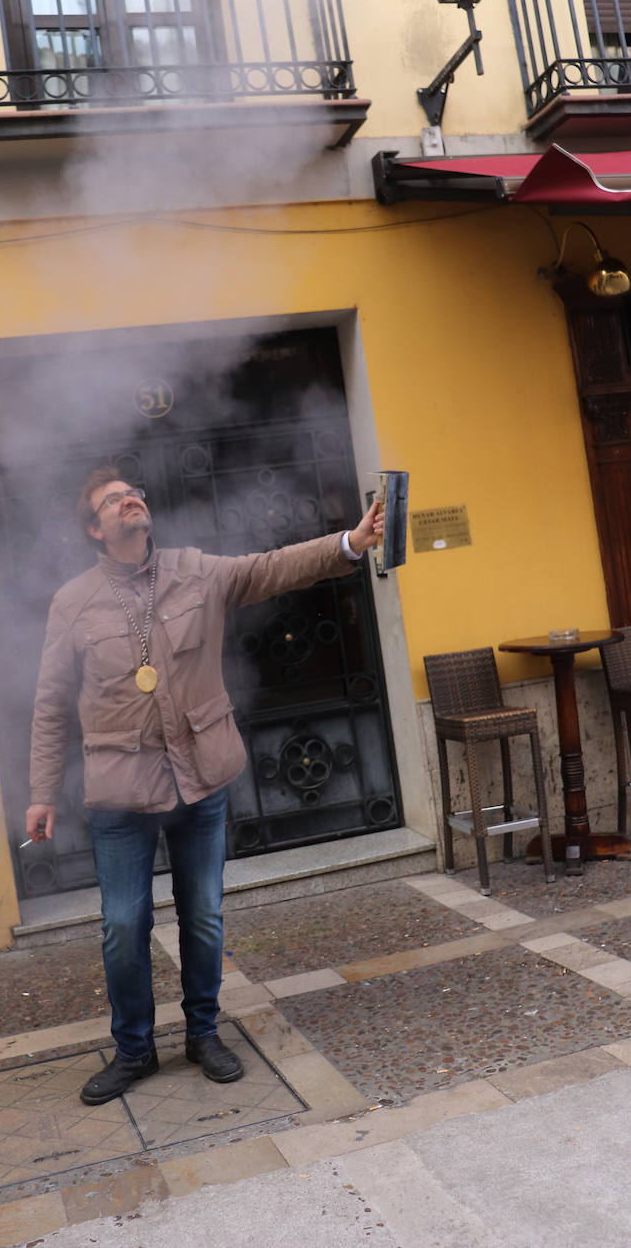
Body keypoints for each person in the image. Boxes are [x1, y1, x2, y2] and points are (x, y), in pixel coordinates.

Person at [27, 464, 382, 1105]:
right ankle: (134, 1051)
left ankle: (203, 1033)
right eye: (113, 500)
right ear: (94, 530)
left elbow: (271, 567)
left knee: (205, 916)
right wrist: (42, 792)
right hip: (121, 789)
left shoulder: (195, 570)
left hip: (201, 777)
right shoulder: (72, 603)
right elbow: (51, 704)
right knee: (124, 926)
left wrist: (348, 543)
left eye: (134, 492)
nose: (131, 499)